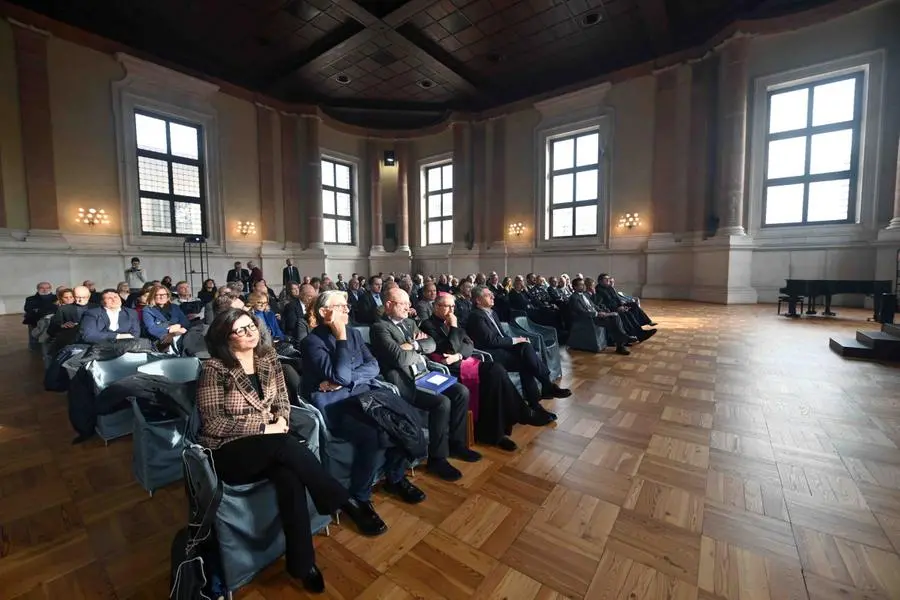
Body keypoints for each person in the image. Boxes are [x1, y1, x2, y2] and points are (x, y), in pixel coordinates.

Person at [198, 308, 349, 593]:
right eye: (240, 330)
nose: (250, 332)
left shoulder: (267, 358)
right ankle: (338, 498)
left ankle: (303, 564)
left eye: (251, 326)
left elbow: (282, 401)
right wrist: (264, 427)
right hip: (230, 451)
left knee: (289, 477)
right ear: (224, 338)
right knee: (285, 445)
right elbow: (214, 423)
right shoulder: (214, 368)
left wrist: (280, 419)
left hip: (273, 446)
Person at [301, 290, 426, 537]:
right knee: (372, 434)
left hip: (366, 396)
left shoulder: (356, 334)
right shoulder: (311, 342)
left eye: (347, 306)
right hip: (336, 405)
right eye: (341, 307)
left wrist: (347, 379)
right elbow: (341, 376)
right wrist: (340, 338)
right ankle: (360, 497)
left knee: (403, 420)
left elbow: (373, 366)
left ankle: (395, 476)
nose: (347, 311)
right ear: (325, 312)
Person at [370, 288, 479, 482]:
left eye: (407, 303)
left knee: (461, 391)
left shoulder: (410, 323)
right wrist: (416, 347)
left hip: (425, 374)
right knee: (442, 402)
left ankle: (457, 443)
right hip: (406, 382)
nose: (408, 307)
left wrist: (413, 345)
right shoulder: (380, 327)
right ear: (388, 305)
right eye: (402, 303)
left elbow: (431, 345)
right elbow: (399, 358)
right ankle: (437, 459)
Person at [421, 293, 549, 452]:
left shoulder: (454, 320)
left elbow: (469, 344)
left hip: (463, 361)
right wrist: (453, 329)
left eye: (453, 306)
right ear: (436, 307)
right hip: (448, 369)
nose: (451, 310)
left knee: (496, 375)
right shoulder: (428, 325)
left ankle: (498, 433)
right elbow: (448, 348)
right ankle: (520, 414)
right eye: (447, 306)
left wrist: (460, 354)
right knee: (496, 371)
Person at [466, 285, 569, 420]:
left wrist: (518, 341)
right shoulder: (476, 316)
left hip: (501, 348)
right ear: (478, 300)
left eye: (492, 294)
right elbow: (491, 341)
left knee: (525, 347)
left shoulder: (492, 313)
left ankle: (541, 396)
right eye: (488, 295)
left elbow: (501, 336)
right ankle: (542, 394)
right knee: (526, 363)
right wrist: (515, 340)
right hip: (490, 353)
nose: (492, 297)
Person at [568, 278, 634, 355]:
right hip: (589, 318)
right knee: (613, 321)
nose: (583, 286)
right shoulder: (574, 298)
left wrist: (603, 311)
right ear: (575, 287)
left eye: (583, 284)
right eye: (580, 285)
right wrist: (597, 314)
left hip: (596, 315)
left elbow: (593, 306)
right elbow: (582, 312)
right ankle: (623, 340)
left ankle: (621, 343)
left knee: (616, 316)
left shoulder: (585, 295)